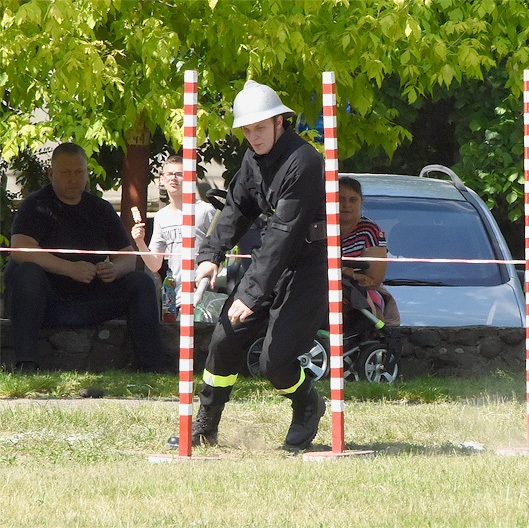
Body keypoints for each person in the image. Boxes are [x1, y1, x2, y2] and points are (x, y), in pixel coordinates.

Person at [167, 80, 328, 451]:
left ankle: (307, 404)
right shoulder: (252, 159)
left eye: (259, 128)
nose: (253, 137)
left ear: (279, 121)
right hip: (270, 262)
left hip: (306, 266)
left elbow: (284, 235)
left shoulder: (304, 161)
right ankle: (206, 424)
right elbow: (237, 209)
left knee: (276, 362)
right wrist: (210, 255)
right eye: (247, 130)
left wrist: (250, 293)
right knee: (224, 339)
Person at [3, 142, 168, 373]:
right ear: (51, 174)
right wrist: (69, 268)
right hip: (45, 301)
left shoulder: (101, 208)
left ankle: (152, 368)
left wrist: (114, 270)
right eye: (66, 172)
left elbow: (127, 257)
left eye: (78, 172)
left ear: (86, 173)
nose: (73, 179)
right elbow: (21, 249)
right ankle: (26, 363)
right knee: (27, 273)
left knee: (141, 282)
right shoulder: (35, 205)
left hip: (90, 298)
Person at [130, 155, 216, 310]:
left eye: (179, 174)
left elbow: (220, 249)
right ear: (162, 179)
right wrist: (140, 242)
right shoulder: (161, 217)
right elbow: (155, 264)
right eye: (169, 174)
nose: (173, 178)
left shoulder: (205, 211)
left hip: (204, 296)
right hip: (173, 299)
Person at [339, 176, 388, 316]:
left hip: (359, 293)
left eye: (352, 200)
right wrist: (350, 272)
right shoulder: (319, 227)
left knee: (373, 316)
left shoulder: (369, 231)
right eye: (340, 199)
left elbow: (373, 281)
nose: (346, 205)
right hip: (320, 289)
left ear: (361, 201)